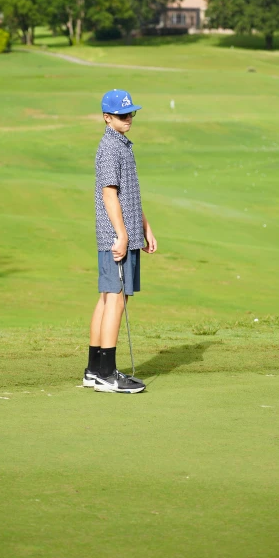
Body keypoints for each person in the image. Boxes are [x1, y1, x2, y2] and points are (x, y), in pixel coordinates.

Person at [83, 89, 157, 393]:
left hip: (125, 231)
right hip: (116, 235)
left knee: (107, 297)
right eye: (121, 115)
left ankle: (94, 369)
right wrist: (124, 235)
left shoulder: (122, 146)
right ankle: (107, 374)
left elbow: (130, 196)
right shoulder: (110, 148)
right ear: (106, 117)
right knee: (115, 299)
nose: (128, 119)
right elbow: (109, 194)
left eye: (130, 114)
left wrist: (145, 227)